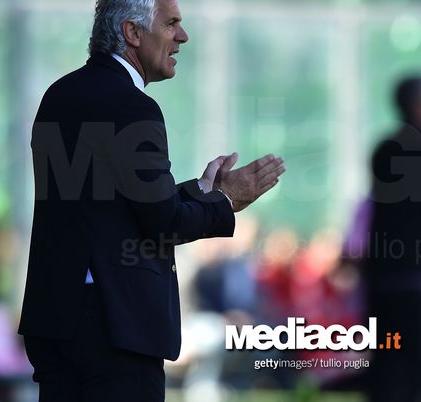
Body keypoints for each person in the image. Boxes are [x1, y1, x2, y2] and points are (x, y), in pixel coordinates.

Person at [17, 1, 286, 401]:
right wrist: (226, 201)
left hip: (57, 320)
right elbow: (163, 222)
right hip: (117, 327)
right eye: (172, 23)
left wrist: (200, 193)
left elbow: (109, 210)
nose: (182, 36)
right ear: (132, 33)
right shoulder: (133, 104)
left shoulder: (60, 94)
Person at [364, 76, 421, 402]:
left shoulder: (386, 147)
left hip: (384, 278)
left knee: (387, 367)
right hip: (408, 280)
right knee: (417, 371)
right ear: (420, 104)